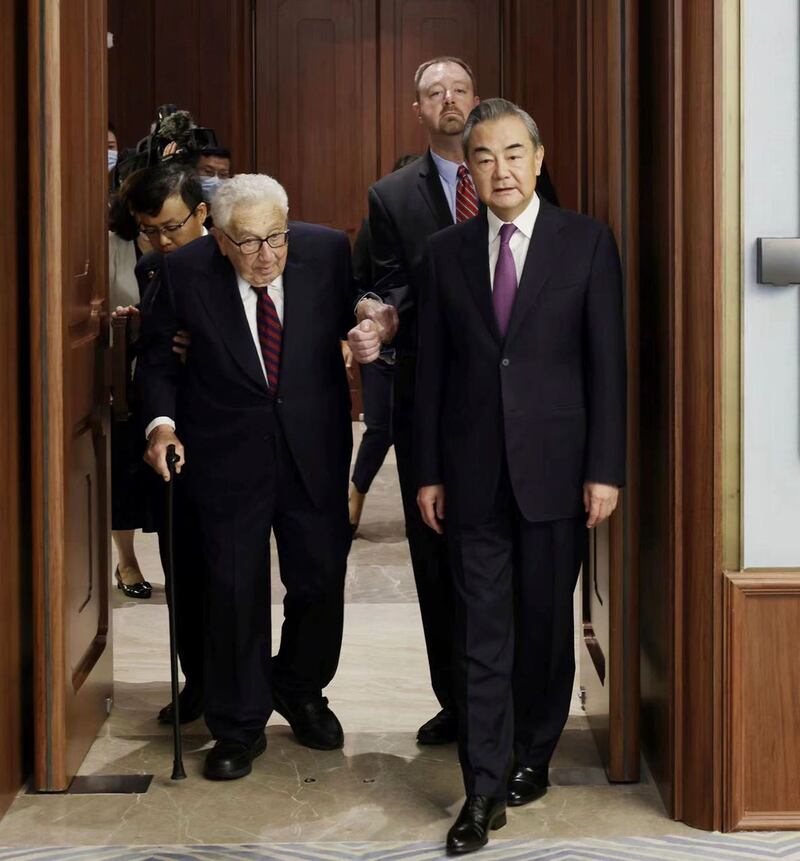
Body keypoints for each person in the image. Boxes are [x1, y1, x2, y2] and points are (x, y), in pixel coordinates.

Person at [414, 98, 626, 854]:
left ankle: (534, 750)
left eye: (512, 154)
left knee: (543, 625)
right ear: (467, 170)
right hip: (471, 475)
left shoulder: (587, 244)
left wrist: (605, 468)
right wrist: (430, 471)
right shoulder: (444, 252)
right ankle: (482, 786)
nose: (499, 169)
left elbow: (608, 367)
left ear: (538, 160)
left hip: (558, 475)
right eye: (483, 157)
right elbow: (429, 374)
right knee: (482, 630)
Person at [136, 174, 359, 781]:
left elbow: (361, 309)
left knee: (319, 579)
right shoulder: (182, 273)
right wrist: (161, 426)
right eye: (249, 243)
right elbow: (156, 359)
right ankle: (238, 725)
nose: (266, 257)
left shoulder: (328, 251)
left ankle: (300, 687)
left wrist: (371, 326)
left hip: (312, 447)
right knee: (234, 591)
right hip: (224, 454)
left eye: (276, 239)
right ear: (219, 238)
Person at [347, 56, 482, 746]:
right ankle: (454, 700)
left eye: (459, 89)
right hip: (425, 394)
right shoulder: (392, 194)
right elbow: (385, 282)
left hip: (504, 396)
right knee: (432, 553)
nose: (449, 100)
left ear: (476, 98)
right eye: (434, 92)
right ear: (418, 110)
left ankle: (498, 702)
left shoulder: (512, 171)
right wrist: (383, 316)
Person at [115, 164, 208, 723]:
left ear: (201, 214)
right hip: (173, 440)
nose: (162, 241)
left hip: (234, 435)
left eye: (171, 227)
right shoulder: (152, 271)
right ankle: (198, 681)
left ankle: (266, 686)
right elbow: (154, 357)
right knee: (183, 569)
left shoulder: (232, 257)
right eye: (150, 230)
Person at [348, 153, 420, 533]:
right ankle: (355, 497)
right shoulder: (374, 227)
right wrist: (369, 315)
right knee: (379, 427)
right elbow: (356, 285)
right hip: (380, 348)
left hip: (418, 348)